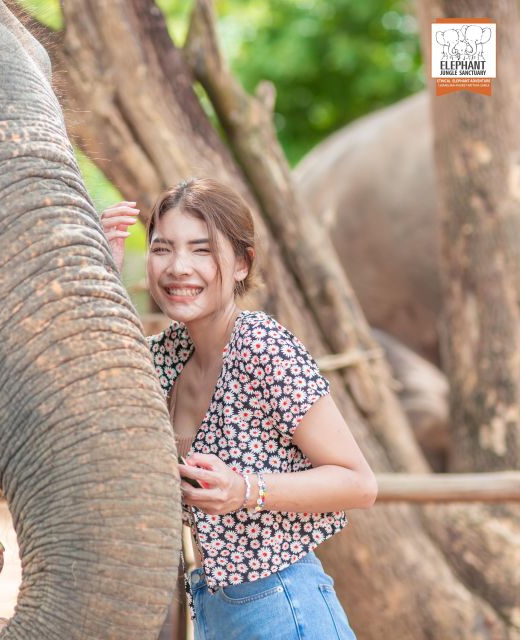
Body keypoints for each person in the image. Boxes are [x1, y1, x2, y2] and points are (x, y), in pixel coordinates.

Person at [101, 178, 377, 640]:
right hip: (213, 607)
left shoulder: (261, 346)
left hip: (285, 607)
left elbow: (359, 482)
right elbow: (99, 379)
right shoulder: (166, 355)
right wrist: (105, 273)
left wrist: (244, 489)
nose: (178, 268)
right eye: (162, 249)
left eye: (202, 250)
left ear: (243, 264)